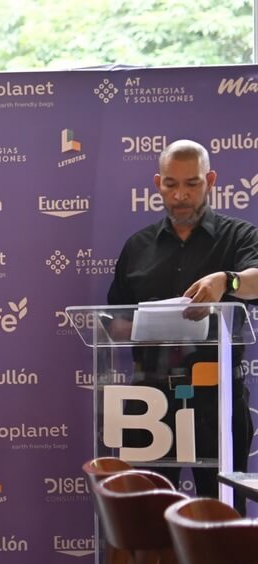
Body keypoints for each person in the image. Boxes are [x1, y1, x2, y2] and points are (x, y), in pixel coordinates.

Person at [107, 139, 258, 500]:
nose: (180, 195)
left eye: (192, 184)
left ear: (211, 180)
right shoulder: (137, 246)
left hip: (216, 398)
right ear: (158, 183)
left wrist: (227, 280)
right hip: (150, 399)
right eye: (171, 185)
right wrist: (146, 324)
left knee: (222, 517)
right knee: (147, 520)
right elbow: (113, 321)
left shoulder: (238, 236)